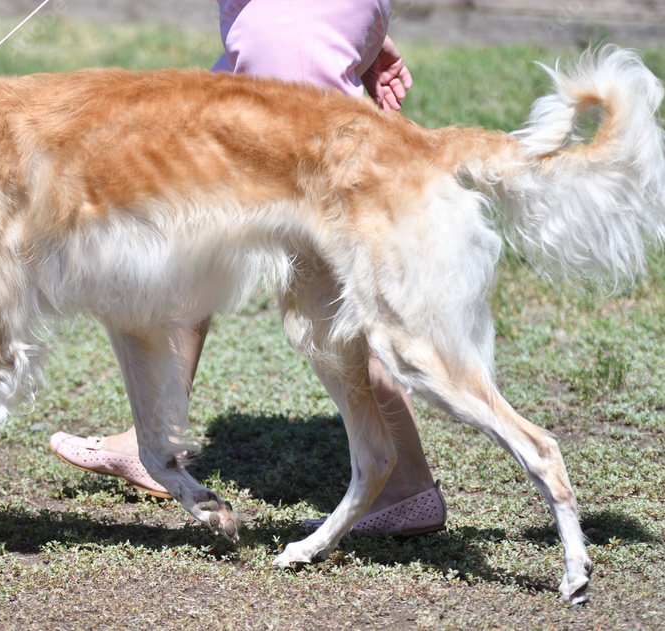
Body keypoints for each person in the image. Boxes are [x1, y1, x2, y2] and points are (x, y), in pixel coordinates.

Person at [50, 0, 446, 536]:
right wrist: (355, 27)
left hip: (290, 23)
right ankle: (156, 442)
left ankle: (406, 484)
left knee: (335, 297)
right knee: (190, 232)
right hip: (296, 20)